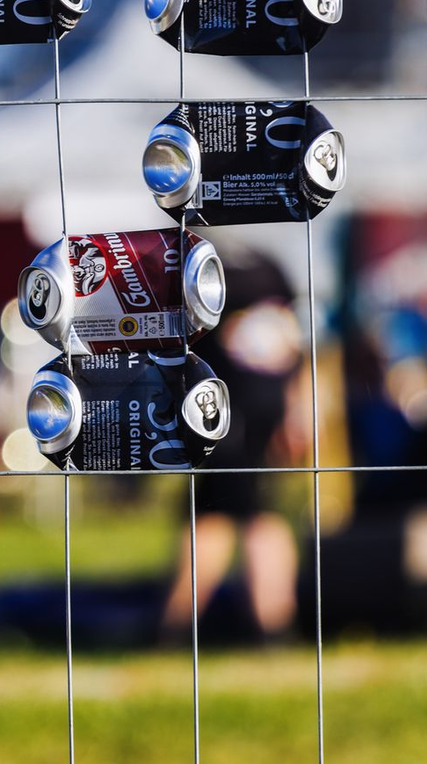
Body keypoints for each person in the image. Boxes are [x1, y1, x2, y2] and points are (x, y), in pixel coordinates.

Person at [161, 245, 309, 641]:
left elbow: (289, 338)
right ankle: (267, 626)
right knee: (242, 516)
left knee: (233, 519)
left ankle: (186, 628)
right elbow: (292, 337)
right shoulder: (264, 263)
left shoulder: (210, 262)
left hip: (228, 410)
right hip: (238, 407)